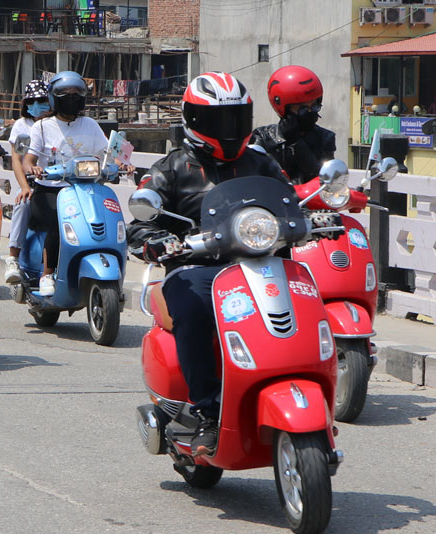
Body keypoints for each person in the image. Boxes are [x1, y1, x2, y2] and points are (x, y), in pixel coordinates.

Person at [127, 72, 289, 458]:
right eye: (219, 121)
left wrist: (317, 212)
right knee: (193, 309)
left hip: (260, 263)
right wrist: (155, 240)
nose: (229, 130)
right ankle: (207, 411)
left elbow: (289, 198)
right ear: (194, 119)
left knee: (305, 296)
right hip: (196, 269)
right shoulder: (171, 167)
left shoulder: (261, 162)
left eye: (236, 119)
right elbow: (138, 223)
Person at [21, 71, 109, 297]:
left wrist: (122, 164)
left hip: (84, 190)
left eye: (76, 93)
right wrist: (33, 168)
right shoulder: (42, 126)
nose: (71, 98)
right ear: (54, 97)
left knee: (106, 218)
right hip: (49, 191)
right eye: (65, 94)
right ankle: (47, 274)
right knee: (59, 221)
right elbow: (28, 159)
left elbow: (108, 153)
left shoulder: (90, 125)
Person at [250, 66, 336, 185]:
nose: (310, 112)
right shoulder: (263, 137)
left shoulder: (325, 138)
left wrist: (296, 143)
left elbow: (321, 179)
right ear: (284, 108)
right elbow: (253, 175)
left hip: (310, 197)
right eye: (303, 109)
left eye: (314, 106)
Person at [3, 79, 51, 284]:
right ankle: (13, 258)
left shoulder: (55, 123)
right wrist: (24, 186)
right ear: (25, 104)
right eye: (32, 101)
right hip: (33, 184)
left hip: (59, 183)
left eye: (42, 100)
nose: (37, 105)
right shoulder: (22, 126)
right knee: (22, 203)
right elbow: (17, 159)